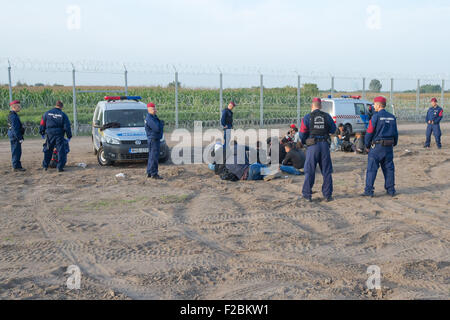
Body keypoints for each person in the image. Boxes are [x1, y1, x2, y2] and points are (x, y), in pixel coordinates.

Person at [299, 97, 337, 202]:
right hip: (324, 145)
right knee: (326, 171)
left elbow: (302, 133)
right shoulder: (327, 116)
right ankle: (327, 195)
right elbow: (333, 129)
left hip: (312, 146)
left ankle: (307, 195)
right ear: (320, 106)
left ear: (312, 106)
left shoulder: (307, 117)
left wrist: (304, 142)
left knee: (310, 170)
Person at [362, 96, 398, 197]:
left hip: (377, 147)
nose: (373, 106)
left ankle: (369, 191)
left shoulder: (375, 117)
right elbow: (395, 133)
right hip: (388, 147)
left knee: (371, 169)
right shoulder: (392, 117)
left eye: (374, 104)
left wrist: (367, 145)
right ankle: (391, 190)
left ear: (378, 105)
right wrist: (394, 143)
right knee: (389, 169)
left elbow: (369, 132)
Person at [40, 100, 72, 172]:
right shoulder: (63, 115)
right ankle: (59, 167)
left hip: (49, 134)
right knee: (61, 151)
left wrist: (42, 132)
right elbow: (67, 126)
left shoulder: (46, 113)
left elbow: (42, 123)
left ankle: (45, 166)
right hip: (59, 135)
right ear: (61, 107)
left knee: (48, 149)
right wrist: (69, 136)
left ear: (55, 105)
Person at [145, 102, 164, 179]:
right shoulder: (150, 118)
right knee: (154, 157)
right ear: (149, 110)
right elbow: (156, 128)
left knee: (152, 156)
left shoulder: (153, 117)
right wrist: (161, 124)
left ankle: (149, 172)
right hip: (153, 139)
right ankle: (154, 173)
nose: (155, 110)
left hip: (154, 139)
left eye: (155, 108)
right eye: (153, 109)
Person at [7, 100, 26, 172]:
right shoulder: (13, 116)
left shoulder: (12, 115)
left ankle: (17, 165)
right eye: (19, 106)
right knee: (16, 151)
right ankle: (16, 167)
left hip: (13, 135)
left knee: (16, 151)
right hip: (15, 136)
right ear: (14, 107)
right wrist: (19, 137)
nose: (20, 108)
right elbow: (15, 128)